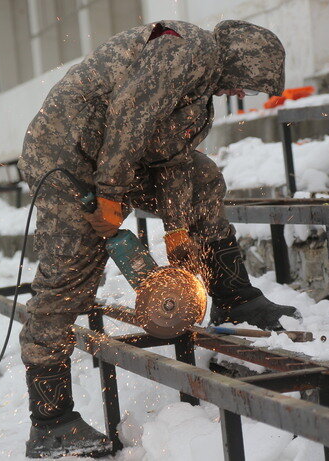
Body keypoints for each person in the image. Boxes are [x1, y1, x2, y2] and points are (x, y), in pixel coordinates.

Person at [17, 19, 301, 458]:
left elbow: (170, 160)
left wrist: (178, 229)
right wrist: (109, 196)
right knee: (69, 274)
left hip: (113, 155)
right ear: (240, 61)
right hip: (67, 159)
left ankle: (233, 294)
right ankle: (51, 421)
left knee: (202, 179)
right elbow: (130, 114)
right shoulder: (190, 51)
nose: (243, 95)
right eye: (249, 85)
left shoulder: (199, 89)